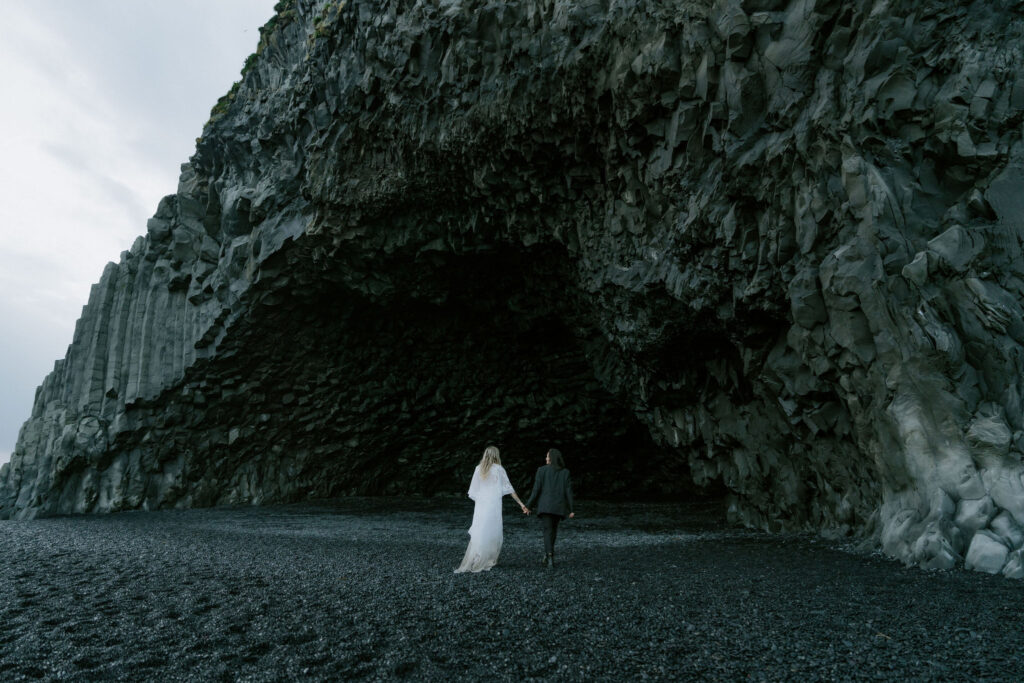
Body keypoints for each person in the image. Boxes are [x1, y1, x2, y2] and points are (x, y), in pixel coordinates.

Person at [455, 446, 528, 573]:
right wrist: (521, 504)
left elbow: (473, 491)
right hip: (493, 505)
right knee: (492, 530)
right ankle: (489, 559)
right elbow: (509, 488)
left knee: (480, 529)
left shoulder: (478, 469)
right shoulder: (499, 469)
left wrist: (482, 499)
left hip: (481, 505)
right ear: (496, 455)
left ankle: (478, 557)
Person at [524, 448, 574, 568]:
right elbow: (569, 492)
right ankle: (549, 555)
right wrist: (571, 509)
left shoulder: (541, 470)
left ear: (551, 458)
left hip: (545, 506)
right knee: (553, 531)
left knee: (547, 531)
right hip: (558, 506)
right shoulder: (565, 472)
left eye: (547, 456)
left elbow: (536, 490)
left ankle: (549, 556)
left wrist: (528, 506)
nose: (546, 458)